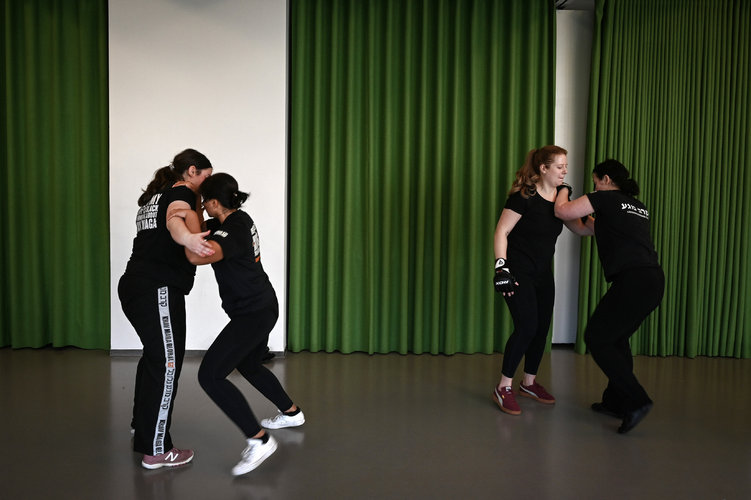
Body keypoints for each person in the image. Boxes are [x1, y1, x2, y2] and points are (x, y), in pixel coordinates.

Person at [171, 172, 304, 476]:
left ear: (215, 202)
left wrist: (185, 221)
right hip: (260, 305)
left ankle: (259, 441)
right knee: (250, 364)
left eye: (205, 202)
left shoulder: (235, 229)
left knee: (210, 375)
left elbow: (197, 257)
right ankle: (291, 413)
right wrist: (190, 209)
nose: (203, 207)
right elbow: (204, 229)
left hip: (253, 312)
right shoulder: (232, 220)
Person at [118, 148, 215, 469]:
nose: (206, 182)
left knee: (154, 358)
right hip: (157, 289)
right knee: (168, 364)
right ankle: (156, 449)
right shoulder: (181, 193)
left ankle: (142, 426)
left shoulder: (153, 197)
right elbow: (175, 219)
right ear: (190, 172)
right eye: (206, 176)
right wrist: (188, 239)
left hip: (135, 285)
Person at [554, 159, 664, 434]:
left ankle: (636, 401)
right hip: (652, 280)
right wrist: (567, 213)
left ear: (604, 179)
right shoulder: (636, 207)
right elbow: (581, 227)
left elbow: (562, 210)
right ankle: (615, 402)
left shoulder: (604, 198)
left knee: (597, 337)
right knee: (616, 339)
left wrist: (563, 188)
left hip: (634, 281)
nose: (594, 186)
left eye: (594, 181)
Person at [492, 146, 593, 415]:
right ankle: (504, 387)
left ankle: (529, 383)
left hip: (542, 273)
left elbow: (580, 227)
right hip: (517, 271)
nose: (565, 171)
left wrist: (607, 219)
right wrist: (501, 267)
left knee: (541, 328)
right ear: (543, 169)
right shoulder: (524, 196)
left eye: (565, 166)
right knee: (526, 326)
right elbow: (502, 230)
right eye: (559, 166)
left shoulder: (561, 202)